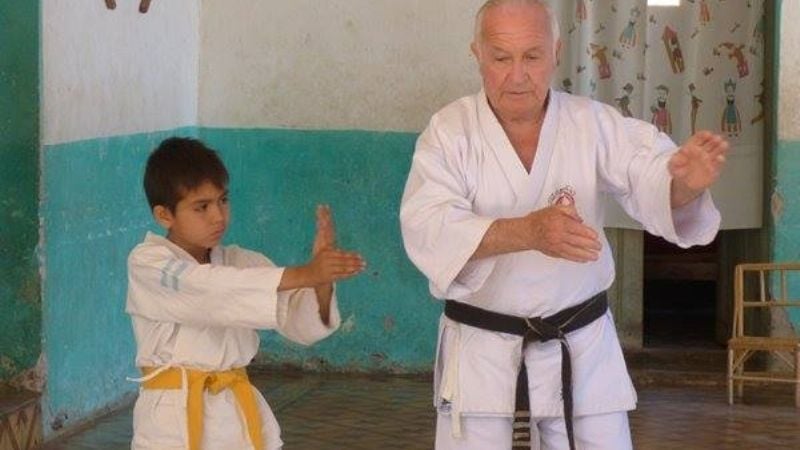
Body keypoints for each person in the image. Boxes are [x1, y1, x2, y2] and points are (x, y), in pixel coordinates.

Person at [399, 1, 728, 449]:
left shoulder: (592, 123)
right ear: (476, 53)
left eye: (532, 56)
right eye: (501, 57)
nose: (517, 75)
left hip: (582, 353)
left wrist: (684, 186)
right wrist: (528, 232)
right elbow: (427, 224)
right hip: (482, 359)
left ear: (556, 52)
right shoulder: (449, 132)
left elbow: (648, 173)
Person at [126, 137, 365, 449]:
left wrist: (319, 283)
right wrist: (306, 273)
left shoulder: (240, 261)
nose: (218, 216)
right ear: (164, 215)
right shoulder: (148, 263)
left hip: (234, 415)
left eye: (223, 201)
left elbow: (298, 321)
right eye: (202, 207)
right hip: (173, 422)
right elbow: (209, 289)